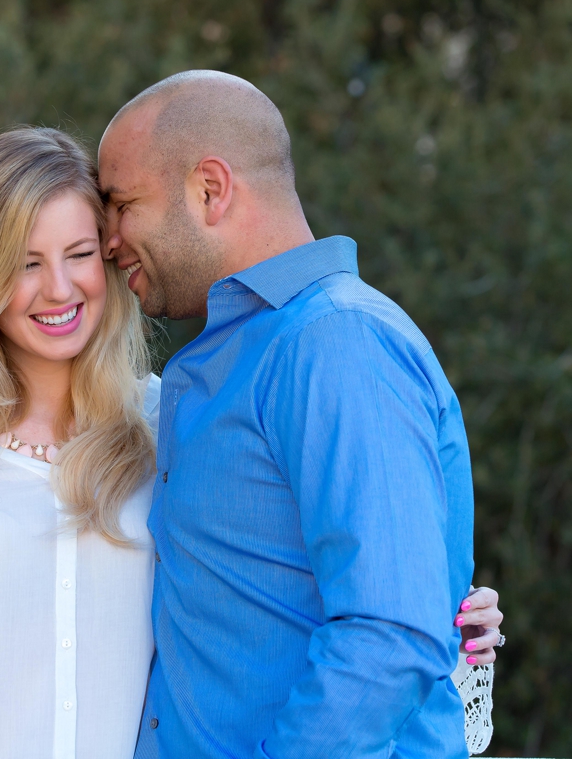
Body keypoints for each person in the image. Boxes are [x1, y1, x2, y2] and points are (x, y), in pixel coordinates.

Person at [0, 127, 499, 758]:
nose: (58, 289)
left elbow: (266, 585)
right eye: (24, 262)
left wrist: (444, 614)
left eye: (80, 253)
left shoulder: (169, 426)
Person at [96, 70, 501, 759]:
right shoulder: (223, 362)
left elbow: (391, 635)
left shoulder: (337, 341)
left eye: (122, 204)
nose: (108, 240)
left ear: (210, 189)